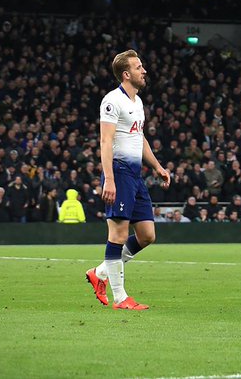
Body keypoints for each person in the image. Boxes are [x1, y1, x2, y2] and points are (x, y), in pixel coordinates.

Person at [86, 50, 170, 310]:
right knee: (119, 233)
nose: (144, 71)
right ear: (126, 74)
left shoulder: (138, 102)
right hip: (119, 173)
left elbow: (139, 137)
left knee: (147, 235)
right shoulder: (112, 101)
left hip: (136, 175)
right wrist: (108, 179)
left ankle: (99, 273)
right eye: (138, 67)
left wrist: (156, 166)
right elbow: (106, 140)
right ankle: (121, 298)